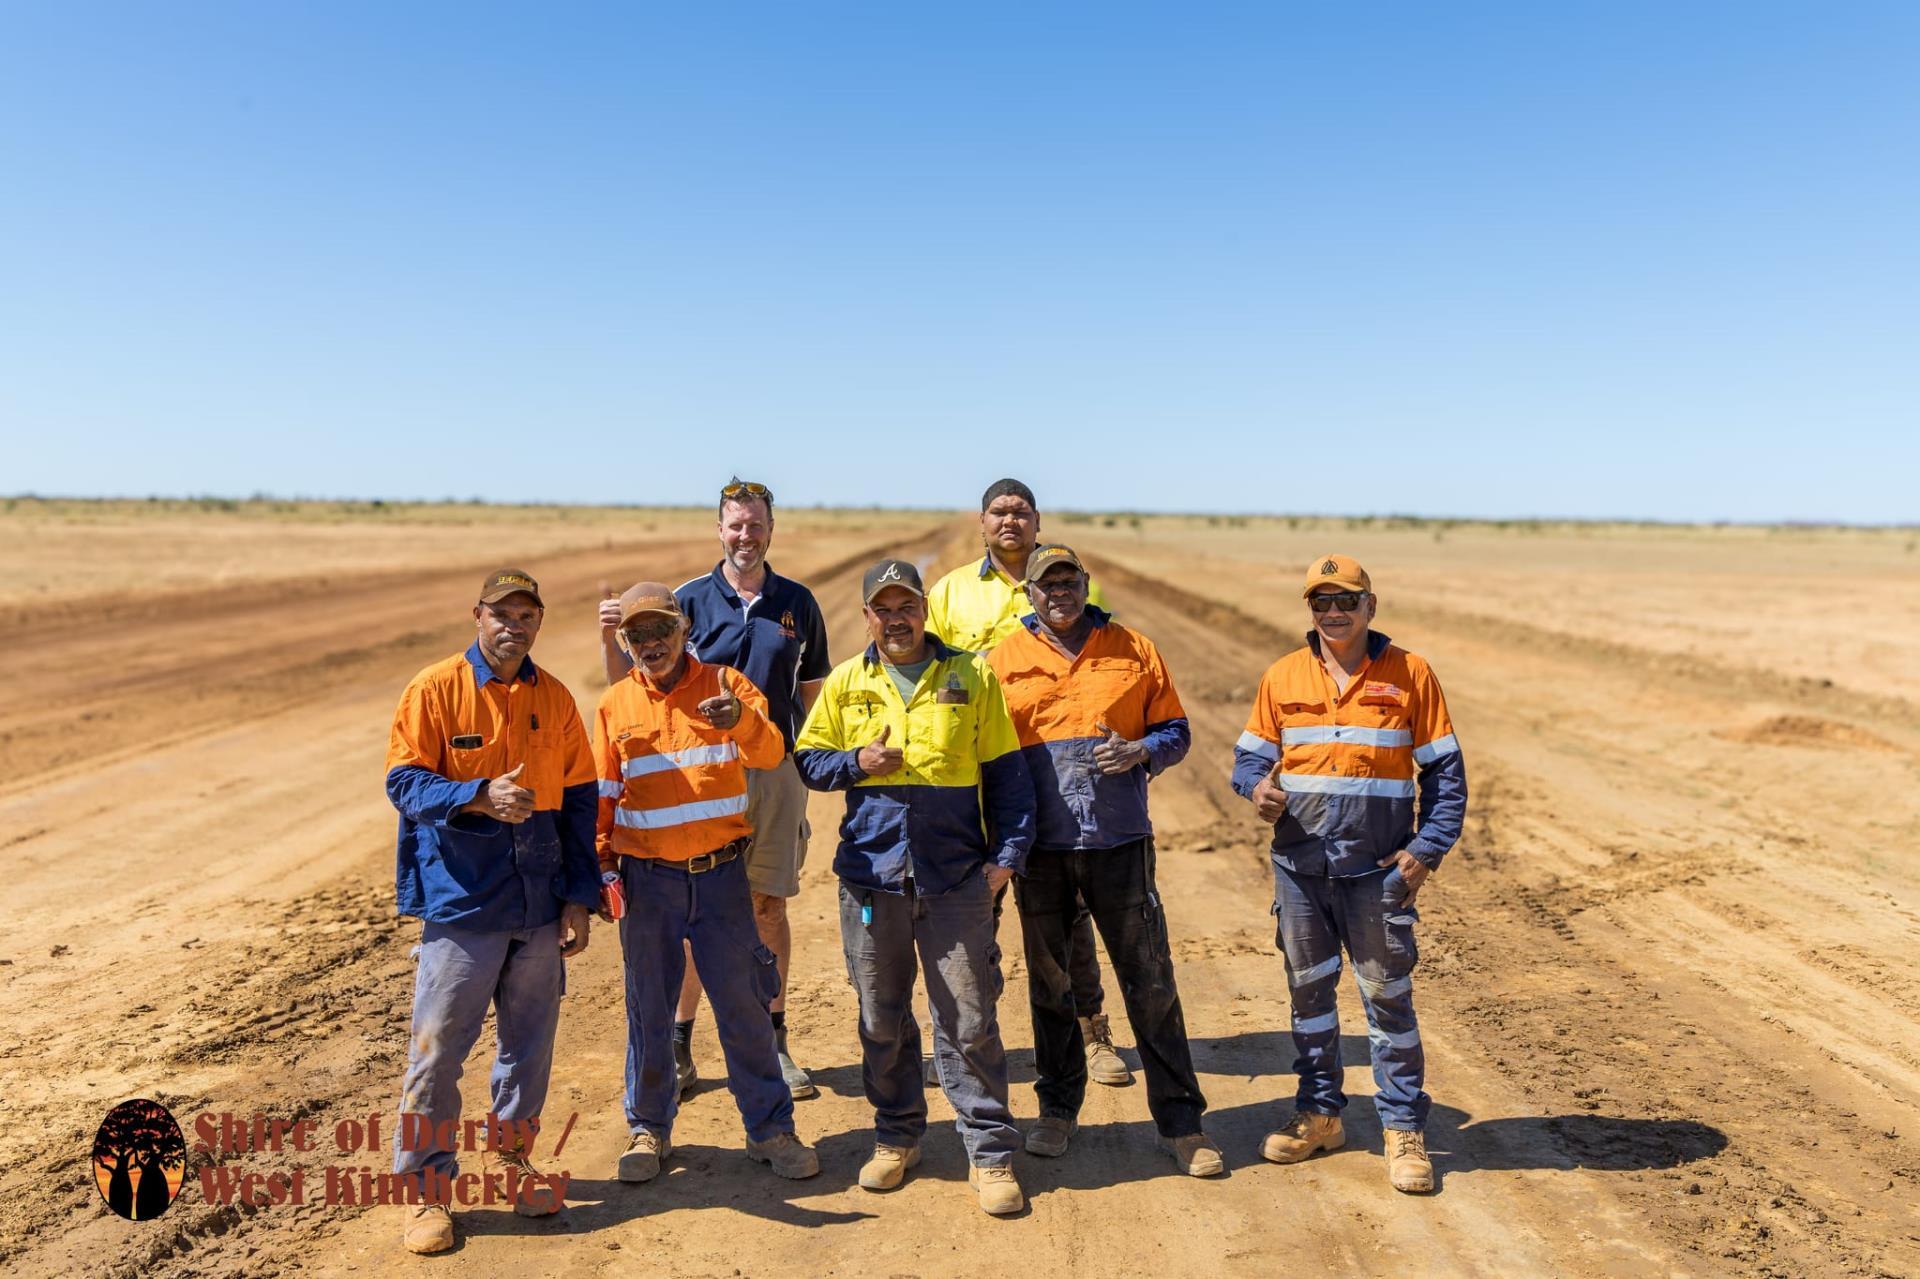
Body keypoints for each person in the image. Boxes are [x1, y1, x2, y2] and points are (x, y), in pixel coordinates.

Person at [794, 559, 1035, 1217]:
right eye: (883, 607)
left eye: (906, 606)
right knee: (881, 1014)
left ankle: (989, 1151)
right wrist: (857, 762)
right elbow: (809, 759)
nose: (895, 618)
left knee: (969, 1016)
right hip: (872, 876)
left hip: (955, 874)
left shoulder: (971, 674)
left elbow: (1009, 776)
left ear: (924, 611)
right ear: (867, 615)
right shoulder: (848, 681)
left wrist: (1006, 858)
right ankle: (898, 1134)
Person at [1232, 554, 1467, 1194]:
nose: (1333, 612)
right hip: (1300, 871)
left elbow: (1447, 778)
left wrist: (1425, 851)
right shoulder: (1282, 676)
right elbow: (1247, 762)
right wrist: (1258, 792)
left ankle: (1402, 1128)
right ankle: (1319, 1115)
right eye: (1320, 602)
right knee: (1309, 999)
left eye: (1346, 601)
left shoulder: (1410, 674)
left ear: (1370, 605)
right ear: (1310, 609)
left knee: (1387, 1000)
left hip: (1376, 873)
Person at [987, 544, 1223, 1176]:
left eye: (1068, 581)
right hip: (1042, 849)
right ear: (1029, 594)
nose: (1058, 592)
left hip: (1121, 842)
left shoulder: (1134, 649)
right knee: (1052, 987)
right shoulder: (1003, 660)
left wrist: (1143, 750)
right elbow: (987, 754)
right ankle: (1057, 1110)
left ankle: (1182, 1124)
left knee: (1150, 983)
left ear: (1085, 584)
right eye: (1046, 584)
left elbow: (1177, 731)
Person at [384, 569, 599, 1255]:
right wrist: (477, 794)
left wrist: (578, 896)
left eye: (526, 613)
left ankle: (512, 1161)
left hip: (537, 902)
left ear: (538, 622)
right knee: (438, 1051)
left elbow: (580, 800)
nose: (514, 624)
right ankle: (423, 1192)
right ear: (478, 614)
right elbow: (404, 781)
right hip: (463, 902)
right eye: (501, 611)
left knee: (528, 1049)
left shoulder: (556, 698)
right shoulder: (436, 688)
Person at [600, 478, 829, 1100]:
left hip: (772, 767)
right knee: (699, 908)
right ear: (719, 530)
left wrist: (801, 762)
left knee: (767, 906)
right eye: (735, 525)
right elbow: (636, 681)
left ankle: (774, 1040)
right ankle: (679, 1043)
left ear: (770, 530)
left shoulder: (797, 602)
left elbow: (810, 696)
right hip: (698, 772)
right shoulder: (687, 600)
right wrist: (607, 638)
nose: (745, 535)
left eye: (756, 524)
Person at [593, 582, 820, 1186]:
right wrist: (602, 866)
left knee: (744, 1005)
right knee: (649, 1010)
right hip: (647, 884)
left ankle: (770, 1129)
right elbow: (605, 794)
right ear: (625, 642)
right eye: (637, 635)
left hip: (721, 876)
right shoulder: (615, 704)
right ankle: (649, 1129)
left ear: (684, 629)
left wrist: (742, 721)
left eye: (661, 630)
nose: (650, 643)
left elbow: (772, 753)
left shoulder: (726, 685)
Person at [925, 478, 1129, 1087]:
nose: (1009, 521)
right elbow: (930, 672)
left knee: (1067, 911)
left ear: (1037, 521)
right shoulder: (951, 592)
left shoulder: (1066, 579)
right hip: (977, 773)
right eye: (998, 512)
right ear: (981, 522)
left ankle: (1092, 1032)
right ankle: (968, 1040)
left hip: (1054, 770)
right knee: (971, 910)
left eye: (1020, 512)